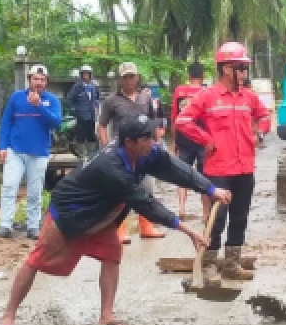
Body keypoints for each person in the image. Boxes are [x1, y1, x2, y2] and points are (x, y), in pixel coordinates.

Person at [0, 114, 233, 325]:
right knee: (37, 260)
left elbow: (174, 167)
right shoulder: (111, 166)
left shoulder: (145, 152)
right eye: (146, 138)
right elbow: (145, 203)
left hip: (102, 215)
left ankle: (106, 315)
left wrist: (210, 188)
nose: (152, 142)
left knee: (112, 255)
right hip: (70, 213)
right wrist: (188, 231)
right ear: (129, 143)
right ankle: (9, 315)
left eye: (152, 136)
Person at [176, 42, 270, 284]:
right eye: (242, 68)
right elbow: (183, 120)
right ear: (227, 69)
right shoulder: (207, 97)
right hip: (218, 169)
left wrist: (259, 133)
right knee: (217, 218)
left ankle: (231, 264)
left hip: (244, 168)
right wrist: (205, 140)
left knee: (240, 216)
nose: (245, 73)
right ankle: (208, 263)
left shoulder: (249, 97)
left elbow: (264, 115)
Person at [98, 61, 165, 241]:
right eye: (125, 77)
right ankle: (119, 228)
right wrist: (105, 146)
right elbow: (102, 125)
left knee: (147, 188)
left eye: (131, 77)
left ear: (137, 78)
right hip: (122, 151)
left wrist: (158, 142)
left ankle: (146, 225)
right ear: (120, 79)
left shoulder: (146, 98)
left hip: (145, 149)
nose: (129, 80)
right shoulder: (111, 101)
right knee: (122, 189)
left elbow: (155, 121)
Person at [0, 64, 62, 240]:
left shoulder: (52, 100)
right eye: (35, 79)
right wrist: (2, 146)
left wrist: (39, 106)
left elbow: (56, 123)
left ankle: (33, 226)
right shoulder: (16, 98)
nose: (39, 82)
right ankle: (5, 225)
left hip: (39, 152)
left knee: (35, 190)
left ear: (46, 82)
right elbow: (6, 122)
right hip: (15, 150)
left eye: (42, 79)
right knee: (9, 186)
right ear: (29, 80)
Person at [170, 61, 210, 219]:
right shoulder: (206, 92)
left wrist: (174, 141)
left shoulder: (180, 92)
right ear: (203, 76)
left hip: (183, 139)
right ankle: (206, 213)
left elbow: (175, 118)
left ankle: (181, 207)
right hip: (202, 139)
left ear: (189, 75)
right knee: (204, 176)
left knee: (182, 174)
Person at [66, 64, 101, 151]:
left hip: (91, 116)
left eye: (87, 74)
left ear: (90, 75)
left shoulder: (94, 86)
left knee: (91, 136)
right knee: (81, 136)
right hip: (81, 116)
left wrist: (96, 104)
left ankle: (91, 155)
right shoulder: (77, 87)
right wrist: (74, 110)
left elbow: (98, 97)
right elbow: (70, 99)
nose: (86, 76)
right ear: (81, 75)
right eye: (84, 74)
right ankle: (82, 156)